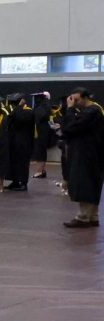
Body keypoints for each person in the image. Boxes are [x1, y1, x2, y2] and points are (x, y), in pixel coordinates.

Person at [58, 87, 104, 228]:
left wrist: (70, 110)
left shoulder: (92, 111)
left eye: (77, 100)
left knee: (85, 185)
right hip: (89, 153)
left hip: (87, 155)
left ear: (85, 98)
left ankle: (83, 217)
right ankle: (92, 217)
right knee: (91, 184)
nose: (74, 102)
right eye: (72, 100)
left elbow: (70, 128)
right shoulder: (91, 111)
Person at [5, 93, 35, 191]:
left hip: (24, 142)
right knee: (13, 162)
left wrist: (18, 107)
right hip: (13, 141)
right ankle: (15, 181)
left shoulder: (28, 111)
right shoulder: (13, 111)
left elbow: (20, 118)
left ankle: (23, 183)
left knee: (22, 163)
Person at [32, 92, 54, 179]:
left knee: (39, 152)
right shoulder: (47, 106)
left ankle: (39, 171)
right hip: (44, 132)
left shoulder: (40, 108)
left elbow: (37, 118)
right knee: (42, 152)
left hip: (40, 133)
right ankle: (43, 170)